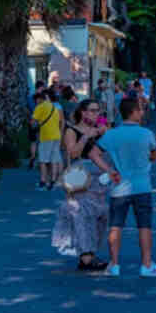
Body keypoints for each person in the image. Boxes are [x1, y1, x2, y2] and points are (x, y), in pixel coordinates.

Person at [95, 97, 156, 277]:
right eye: (140, 110)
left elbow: (94, 153)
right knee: (144, 226)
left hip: (119, 186)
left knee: (116, 226)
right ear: (134, 112)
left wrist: (109, 170)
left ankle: (114, 264)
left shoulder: (111, 134)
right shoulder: (146, 134)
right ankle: (147, 264)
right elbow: (154, 155)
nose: (142, 112)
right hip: (142, 186)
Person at [52, 99, 112, 271]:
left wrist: (104, 133)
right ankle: (86, 256)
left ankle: (88, 253)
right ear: (83, 112)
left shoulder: (100, 131)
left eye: (98, 111)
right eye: (92, 110)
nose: (96, 114)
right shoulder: (72, 130)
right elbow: (73, 152)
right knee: (82, 216)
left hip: (100, 179)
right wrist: (87, 136)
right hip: (81, 179)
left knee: (100, 216)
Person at [31, 90, 64, 190]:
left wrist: (36, 125)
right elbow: (60, 121)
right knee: (54, 159)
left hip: (46, 136)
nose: (36, 102)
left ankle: (43, 181)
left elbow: (32, 122)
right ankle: (53, 181)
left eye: (36, 100)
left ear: (40, 99)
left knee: (43, 160)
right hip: (56, 136)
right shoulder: (55, 107)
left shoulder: (40, 107)